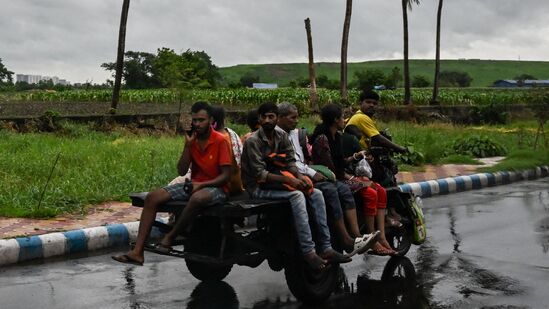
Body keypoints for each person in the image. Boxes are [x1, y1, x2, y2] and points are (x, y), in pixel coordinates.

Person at [112, 101, 232, 266]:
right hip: (195, 184)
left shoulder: (221, 140)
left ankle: (170, 236)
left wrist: (201, 185)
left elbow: (226, 176)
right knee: (153, 197)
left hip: (217, 187)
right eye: (195, 120)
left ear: (211, 120)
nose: (197, 124)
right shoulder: (193, 140)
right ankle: (137, 252)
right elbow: (182, 171)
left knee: (197, 198)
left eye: (201, 120)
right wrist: (187, 146)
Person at [241, 102, 351, 271]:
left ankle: (327, 247)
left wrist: (300, 176)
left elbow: (290, 161)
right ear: (259, 119)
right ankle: (308, 252)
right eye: (264, 117)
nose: (267, 120)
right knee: (297, 196)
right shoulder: (253, 141)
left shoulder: (281, 136)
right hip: (258, 187)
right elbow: (259, 174)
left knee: (316, 193)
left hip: (277, 182)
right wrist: (290, 181)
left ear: (277, 118)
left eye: (271, 116)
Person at [276, 102, 379, 256]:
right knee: (332, 189)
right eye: (293, 117)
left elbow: (305, 160)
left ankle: (356, 236)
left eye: (297, 117)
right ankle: (344, 238)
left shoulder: (300, 134)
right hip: (296, 176)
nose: (296, 120)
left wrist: (354, 160)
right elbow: (292, 163)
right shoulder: (317, 137)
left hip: (311, 173)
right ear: (281, 118)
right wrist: (312, 172)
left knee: (343, 189)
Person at [311, 103, 396, 256]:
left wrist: (355, 158)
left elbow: (340, 164)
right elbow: (330, 168)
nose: (344, 120)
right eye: (342, 117)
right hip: (330, 179)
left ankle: (380, 236)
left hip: (339, 176)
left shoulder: (336, 136)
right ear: (336, 120)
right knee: (370, 192)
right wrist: (354, 179)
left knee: (380, 190)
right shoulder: (322, 137)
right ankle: (365, 237)